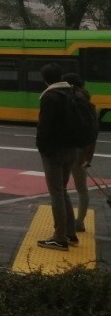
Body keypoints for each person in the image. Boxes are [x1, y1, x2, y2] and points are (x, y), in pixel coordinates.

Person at [35, 63, 78, 250]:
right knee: (63, 190)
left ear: (45, 79)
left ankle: (59, 237)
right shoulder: (72, 93)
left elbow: (45, 126)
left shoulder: (50, 96)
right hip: (71, 149)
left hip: (54, 151)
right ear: (61, 76)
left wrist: (42, 147)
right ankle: (70, 233)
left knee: (56, 193)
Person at [63, 73, 96, 232]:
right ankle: (80, 222)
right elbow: (93, 132)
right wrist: (88, 156)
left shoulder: (71, 100)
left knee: (60, 187)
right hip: (83, 150)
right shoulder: (88, 103)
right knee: (82, 188)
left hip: (69, 148)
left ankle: (64, 222)